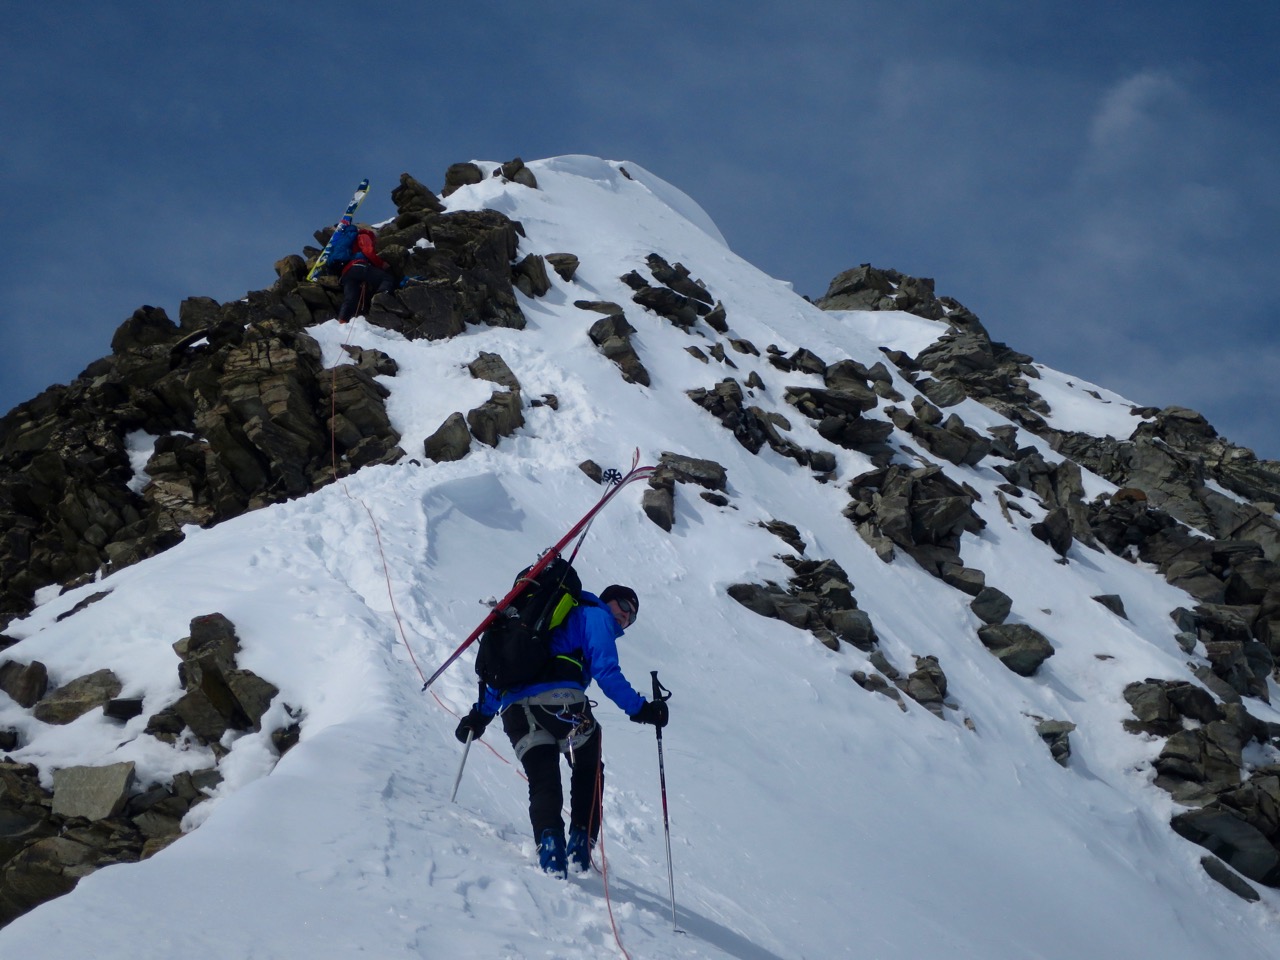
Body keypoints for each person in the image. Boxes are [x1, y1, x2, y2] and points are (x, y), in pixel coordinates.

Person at [455, 583, 669, 877]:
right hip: (563, 706)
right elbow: (606, 671)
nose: (626, 618)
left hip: (516, 712)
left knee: (543, 778)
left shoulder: (535, 622)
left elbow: (506, 670)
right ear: (607, 601)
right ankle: (581, 844)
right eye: (624, 607)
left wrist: (478, 717)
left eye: (631, 618)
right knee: (588, 766)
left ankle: (551, 850)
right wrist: (642, 710)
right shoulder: (595, 616)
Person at [337, 225, 396, 323]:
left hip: (346, 273)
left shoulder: (346, 242)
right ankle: (379, 300)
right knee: (387, 278)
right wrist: (381, 264)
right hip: (358, 265)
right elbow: (368, 251)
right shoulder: (364, 235)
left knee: (350, 299)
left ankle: (342, 321)